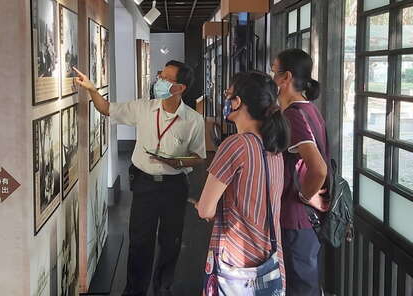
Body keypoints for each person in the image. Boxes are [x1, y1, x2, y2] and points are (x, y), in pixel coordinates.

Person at [74, 60, 206, 296]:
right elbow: (106, 108)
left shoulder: (193, 120)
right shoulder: (144, 108)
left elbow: (198, 157)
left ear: (180, 88)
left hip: (174, 187)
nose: (160, 81)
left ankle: (162, 288)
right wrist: (93, 90)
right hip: (144, 185)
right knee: (139, 241)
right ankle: (134, 290)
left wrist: (178, 162)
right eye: (160, 75)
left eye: (167, 79)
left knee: (170, 242)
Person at [195, 71, 290, 295]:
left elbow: (205, 209)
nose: (227, 101)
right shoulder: (274, 148)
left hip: (237, 265)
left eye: (229, 95)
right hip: (271, 259)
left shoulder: (235, 145)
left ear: (238, 102)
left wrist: (203, 207)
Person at [271, 49, 330, 296]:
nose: (271, 78)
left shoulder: (294, 115)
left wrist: (305, 197)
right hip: (307, 219)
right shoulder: (310, 110)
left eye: (274, 72)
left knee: (298, 286)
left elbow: (318, 168)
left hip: (296, 217)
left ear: (286, 77)